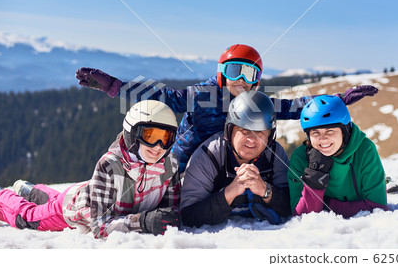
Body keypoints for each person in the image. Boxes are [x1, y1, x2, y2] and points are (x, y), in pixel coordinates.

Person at [76, 44, 378, 172]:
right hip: (185, 164)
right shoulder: (203, 94)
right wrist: (113, 86)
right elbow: (164, 96)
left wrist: (337, 100)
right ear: (222, 71)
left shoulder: (255, 104)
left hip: (223, 165)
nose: (241, 81)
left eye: (250, 75)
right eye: (235, 71)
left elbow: (291, 107)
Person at [0, 100, 181, 238]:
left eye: (166, 138)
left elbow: (169, 211)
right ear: (132, 133)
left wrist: (164, 219)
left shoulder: (169, 164)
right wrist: (141, 222)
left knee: (56, 198)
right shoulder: (110, 165)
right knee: (29, 218)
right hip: (75, 210)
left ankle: (31, 191)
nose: (158, 146)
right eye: (150, 135)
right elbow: (99, 226)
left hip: (91, 190)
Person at [180, 91, 291, 227]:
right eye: (245, 131)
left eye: (260, 133)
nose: (252, 140)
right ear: (229, 131)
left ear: (270, 136)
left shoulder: (274, 154)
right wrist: (230, 192)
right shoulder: (209, 155)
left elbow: (292, 205)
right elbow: (188, 215)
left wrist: (266, 190)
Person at [288, 95, 388, 218]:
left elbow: (377, 208)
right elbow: (300, 216)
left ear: (345, 131)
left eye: (330, 131)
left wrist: (326, 205)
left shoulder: (365, 150)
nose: (322, 138)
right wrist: (315, 179)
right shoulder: (300, 158)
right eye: (315, 132)